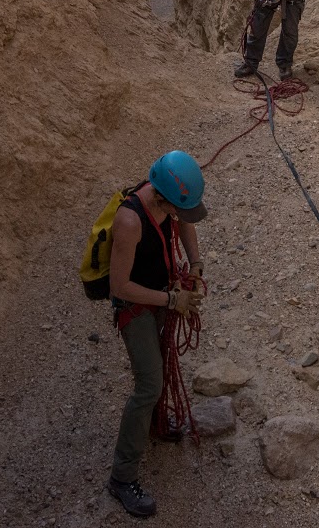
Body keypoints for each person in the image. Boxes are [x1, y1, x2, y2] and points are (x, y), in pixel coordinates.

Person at [105, 151, 208, 519]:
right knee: (149, 385)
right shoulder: (129, 221)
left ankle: (154, 425)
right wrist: (172, 300)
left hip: (161, 295)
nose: (181, 214)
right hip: (136, 307)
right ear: (163, 198)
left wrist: (195, 263)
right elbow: (119, 286)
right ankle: (122, 477)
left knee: (160, 368)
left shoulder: (166, 199)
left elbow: (184, 220)